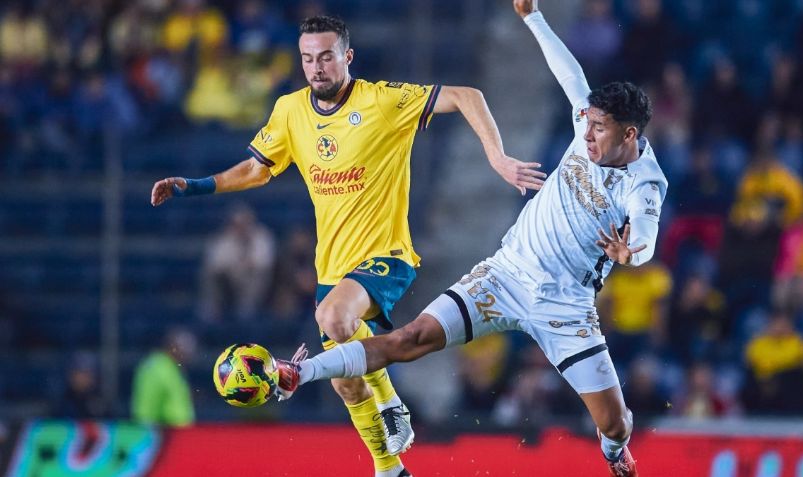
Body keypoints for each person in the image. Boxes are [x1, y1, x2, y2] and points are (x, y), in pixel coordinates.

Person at [275, 2, 667, 476]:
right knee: (410, 338)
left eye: (598, 129)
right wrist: (533, 18)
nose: (586, 133)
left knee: (617, 422)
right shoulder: (590, 119)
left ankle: (612, 452)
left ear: (629, 134)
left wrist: (633, 253)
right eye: (586, 122)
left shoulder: (645, 183)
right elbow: (568, 71)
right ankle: (299, 372)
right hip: (504, 275)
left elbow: (645, 236)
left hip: (566, 306)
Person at [150, 15, 544, 477]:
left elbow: (466, 95)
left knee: (334, 318)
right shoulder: (291, 110)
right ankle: (388, 467)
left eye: (326, 56)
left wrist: (497, 157)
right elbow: (258, 169)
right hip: (331, 271)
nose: (316, 68)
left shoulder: (382, 101)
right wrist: (194, 186)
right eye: (307, 59)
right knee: (347, 384)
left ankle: (393, 402)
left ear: (347, 57)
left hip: (386, 257)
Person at [131, 327, 197, 427]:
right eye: (185, 348)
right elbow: (145, 410)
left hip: (179, 435)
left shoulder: (172, 368)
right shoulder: (157, 368)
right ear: (172, 346)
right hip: (165, 436)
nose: (188, 353)